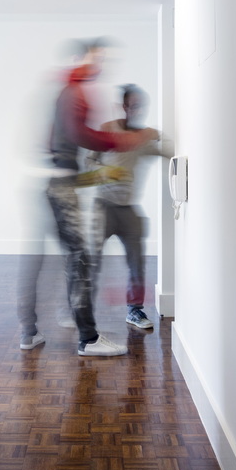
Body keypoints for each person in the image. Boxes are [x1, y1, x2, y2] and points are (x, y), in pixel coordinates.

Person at [18, 39, 154, 356]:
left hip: (52, 184)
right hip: (59, 189)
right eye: (97, 58)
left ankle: (31, 331)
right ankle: (88, 338)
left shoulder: (62, 91)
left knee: (46, 261)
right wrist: (121, 141)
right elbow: (81, 136)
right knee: (79, 258)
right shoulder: (73, 92)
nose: (100, 65)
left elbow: (64, 157)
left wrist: (104, 173)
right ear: (78, 58)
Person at [89, 84, 173, 331]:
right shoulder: (107, 130)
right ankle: (80, 309)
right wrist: (106, 171)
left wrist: (159, 134)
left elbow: (168, 152)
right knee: (91, 261)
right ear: (123, 106)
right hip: (103, 207)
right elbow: (89, 161)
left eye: (140, 106)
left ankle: (134, 310)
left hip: (128, 209)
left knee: (137, 262)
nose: (137, 110)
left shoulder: (144, 138)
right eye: (133, 105)